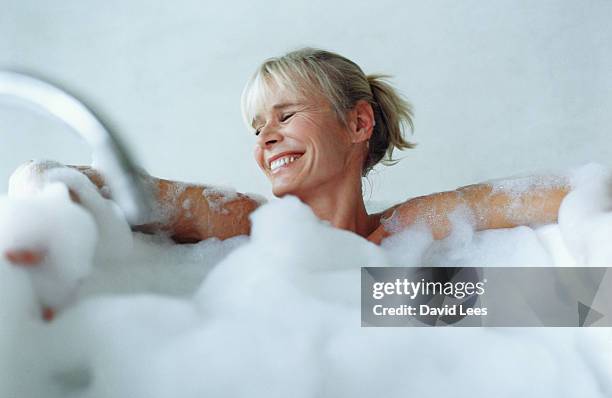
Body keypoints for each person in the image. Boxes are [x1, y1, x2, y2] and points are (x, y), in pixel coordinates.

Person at [6, 47, 571, 264]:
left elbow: (565, 211)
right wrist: (40, 203)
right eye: (257, 127)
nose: (266, 138)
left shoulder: (405, 235)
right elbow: (115, 188)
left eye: (285, 115)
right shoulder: (252, 225)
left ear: (357, 122)